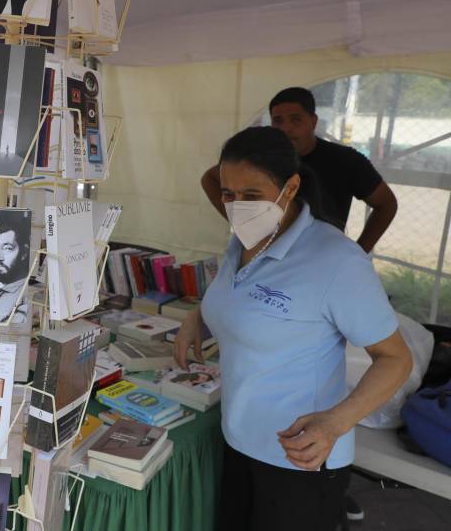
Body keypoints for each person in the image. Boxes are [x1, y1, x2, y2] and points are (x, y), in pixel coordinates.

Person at [176, 127, 412, 531]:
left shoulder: (335, 260)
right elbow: (236, 293)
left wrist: (336, 422)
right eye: (228, 195)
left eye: (252, 195)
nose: (236, 207)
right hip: (238, 439)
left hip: (300, 458)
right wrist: (198, 316)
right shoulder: (244, 241)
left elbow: (395, 359)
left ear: (291, 187)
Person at [201, 87, 398, 253]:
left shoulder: (345, 160)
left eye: (296, 120)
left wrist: (359, 251)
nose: (286, 128)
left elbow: (386, 204)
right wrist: (240, 220)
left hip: (321, 253)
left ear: (313, 121)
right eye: (278, 120)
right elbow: (210, 178)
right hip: (268, 250)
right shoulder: (263, 159)